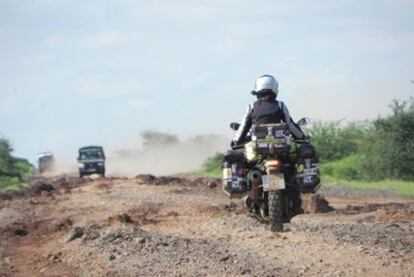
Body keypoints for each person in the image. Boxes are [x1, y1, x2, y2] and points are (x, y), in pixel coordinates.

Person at [232, 74, 306, 146]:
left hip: (258, 150)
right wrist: (301, 137)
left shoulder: (251, 107)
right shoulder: (280, 105)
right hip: (279, 148)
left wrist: (236, 141)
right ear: (274, 88)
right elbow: (290, 125)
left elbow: (244, 127)